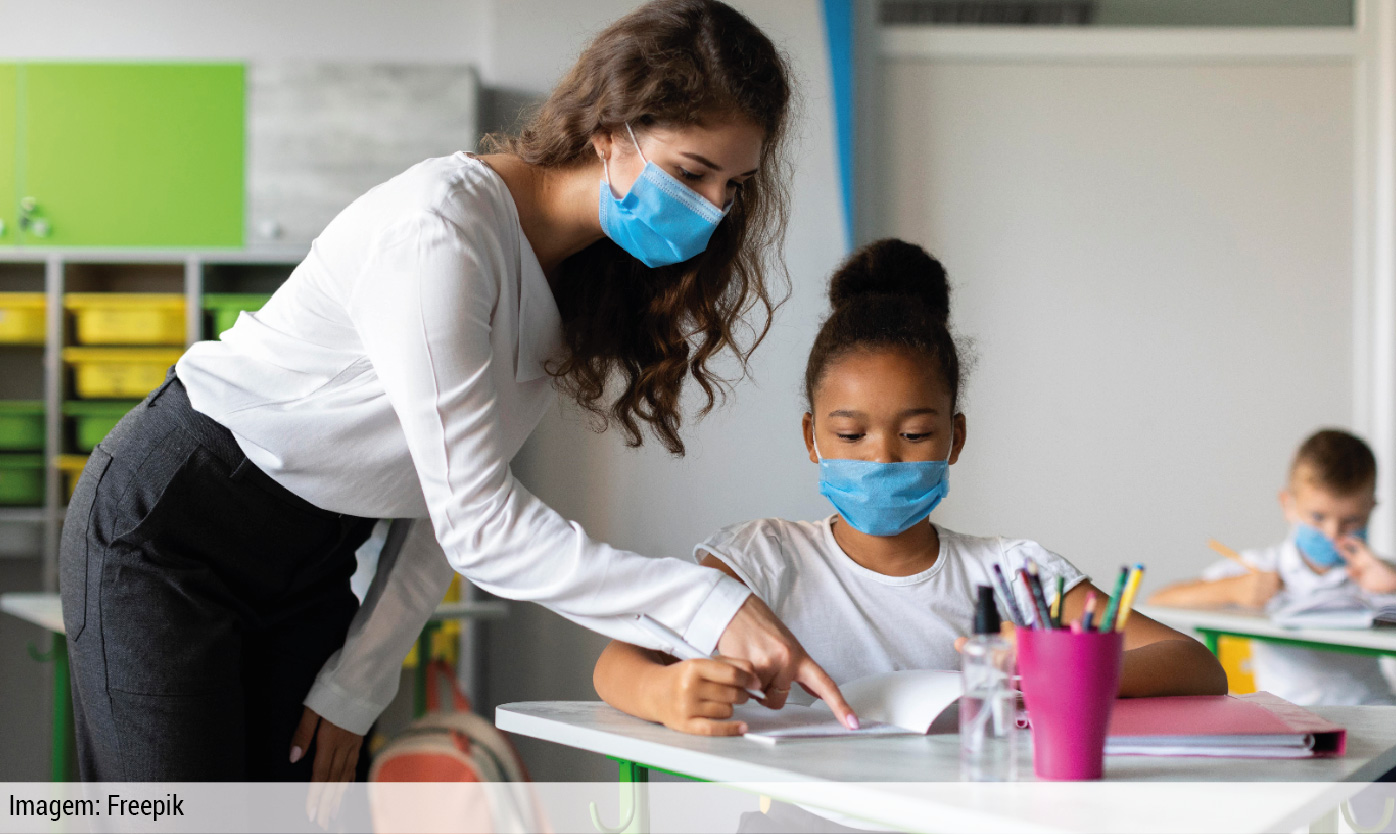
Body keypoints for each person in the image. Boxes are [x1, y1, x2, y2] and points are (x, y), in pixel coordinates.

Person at [59, 0, 855, 783]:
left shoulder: (575, 278)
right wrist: (708, 604)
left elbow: (444, 504)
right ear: (610, 132)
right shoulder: (442, 230)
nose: (714, 210)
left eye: (733, 185)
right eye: (691, 172)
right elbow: (480, 525)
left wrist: (355, 686)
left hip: (313, 556)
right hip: (176, 526)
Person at [593, 239, 1227, 735]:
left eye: (916, 434)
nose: (882, 458)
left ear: (956, 437)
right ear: (812, 436)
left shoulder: (1015, 576)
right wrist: (663, 693)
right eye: (851, 435)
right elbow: (618, 665)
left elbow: (1195, 663)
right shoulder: (765, 559)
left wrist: (1057, 669)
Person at [1150, 429, 1396, 705]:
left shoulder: (1381, 573)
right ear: (1287, 505)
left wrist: (1393, 585)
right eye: (1318, 517)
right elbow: (1159, 601)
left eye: (1351, 520)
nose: (1332, 532)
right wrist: (1232, 589)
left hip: (1375, 709)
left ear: (1371, 509)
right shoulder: (1262, 567)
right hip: (1289, 714)